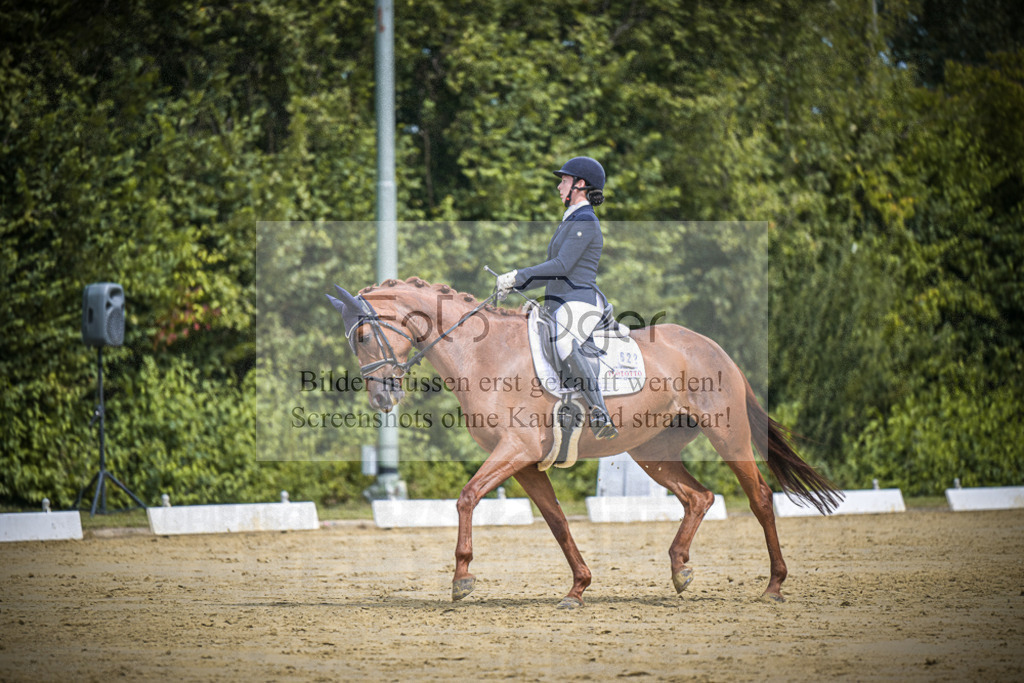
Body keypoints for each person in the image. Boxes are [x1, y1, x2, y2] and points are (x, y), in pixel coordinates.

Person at [495, 156, 618, 440]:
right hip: (561, 301)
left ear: (580, 184)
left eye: (563, 181)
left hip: (580, 301)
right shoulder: (570, 221)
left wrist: (518, 276)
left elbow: (562, 266)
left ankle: (600, 412)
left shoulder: (586, 221)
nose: (559, 186)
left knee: (564, 342)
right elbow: (555, 272)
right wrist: (520, 286)